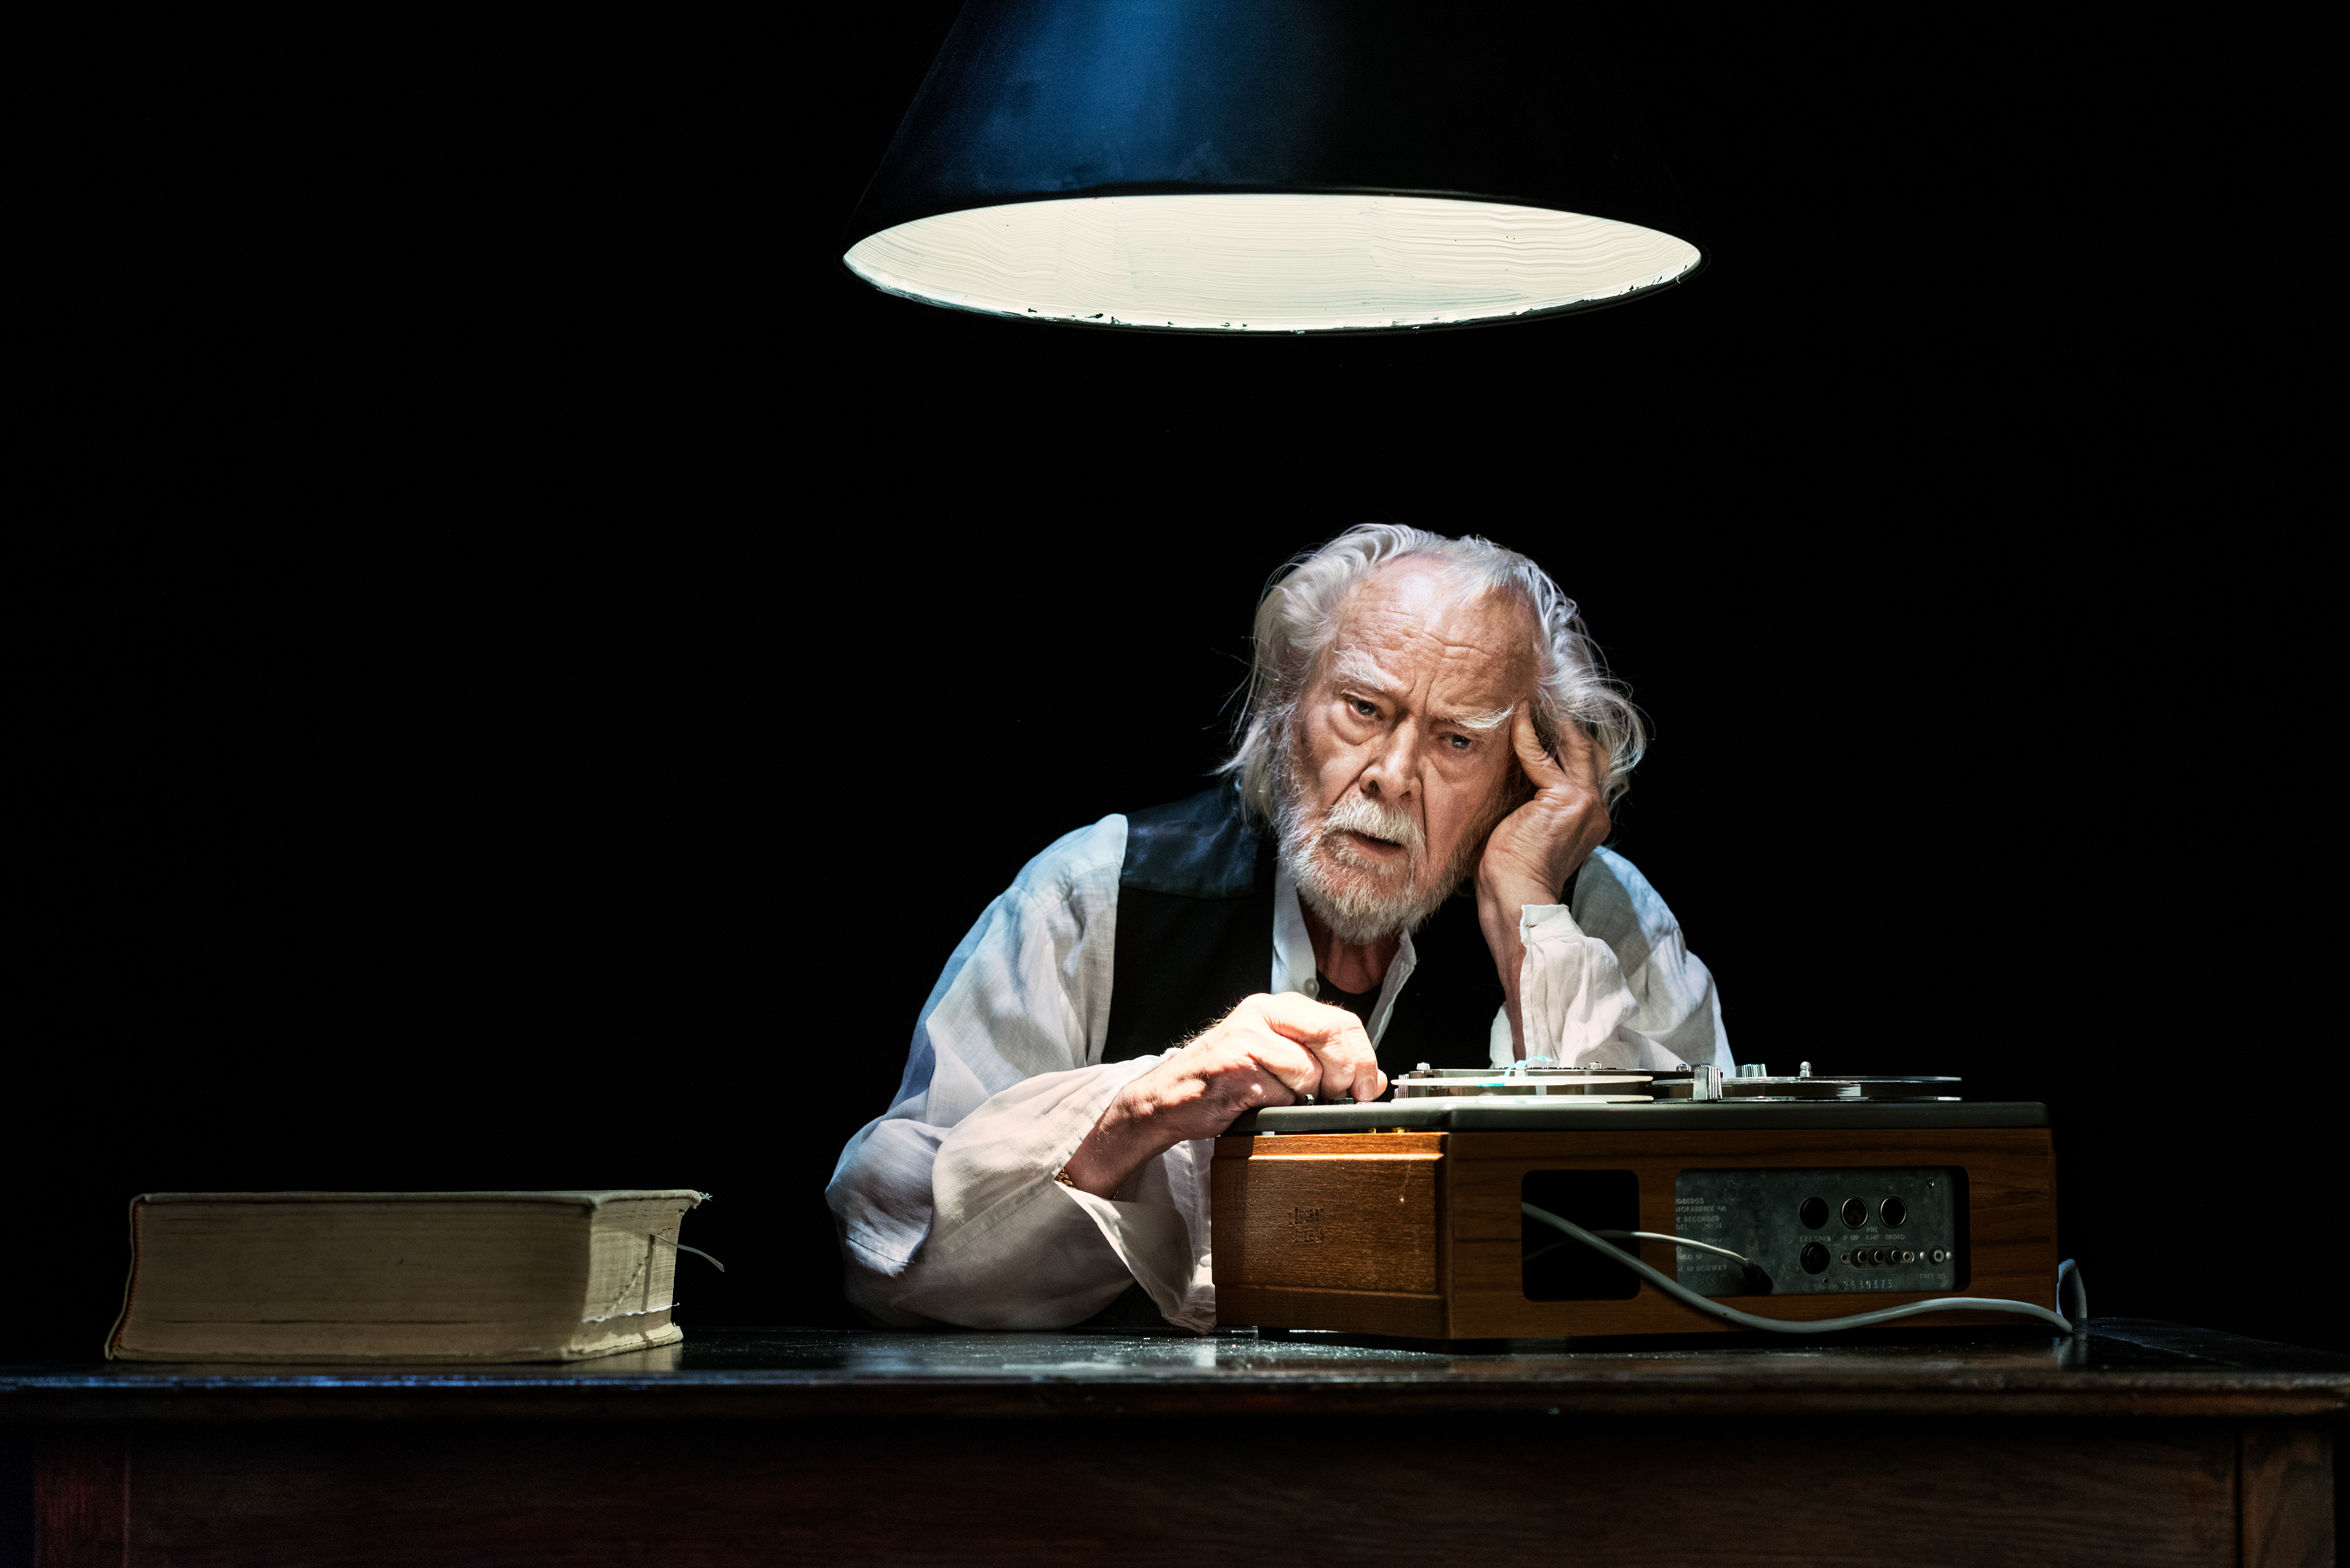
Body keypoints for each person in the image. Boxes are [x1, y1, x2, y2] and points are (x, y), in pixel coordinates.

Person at [826, 525, 1730, 1330]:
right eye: (1365, 709)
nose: (1392, 774)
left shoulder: (1594, 918)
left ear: (1519, 776)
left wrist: (1528, 911)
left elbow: (1699, 1248)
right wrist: (1138, 1111)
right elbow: (891, 1251)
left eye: (1457, 740)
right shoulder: (1097, 891)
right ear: (1286, 705)